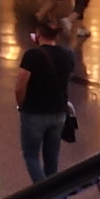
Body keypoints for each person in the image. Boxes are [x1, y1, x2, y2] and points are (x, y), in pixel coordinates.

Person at [13, 13, 81, 187]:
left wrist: (21, 105)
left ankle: (43, 195)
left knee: (31, 155)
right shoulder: (67, 54)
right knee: (51, 158)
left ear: (38, 33)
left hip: (34, 112)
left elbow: (20, 86)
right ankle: (51, 194)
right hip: (58, 113)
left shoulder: (32, 55)